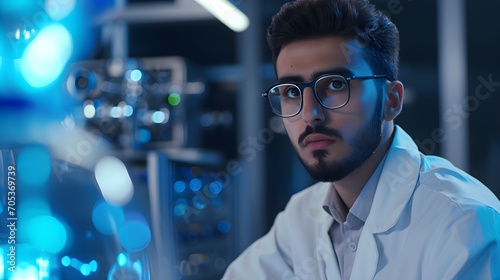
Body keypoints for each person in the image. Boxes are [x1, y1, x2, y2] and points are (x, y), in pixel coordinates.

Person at [222, 0, 500, 279]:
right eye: (292, 92)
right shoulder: (301, 216)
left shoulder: (462, 221)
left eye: (334, 85)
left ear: (391, 100)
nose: (309, 114)